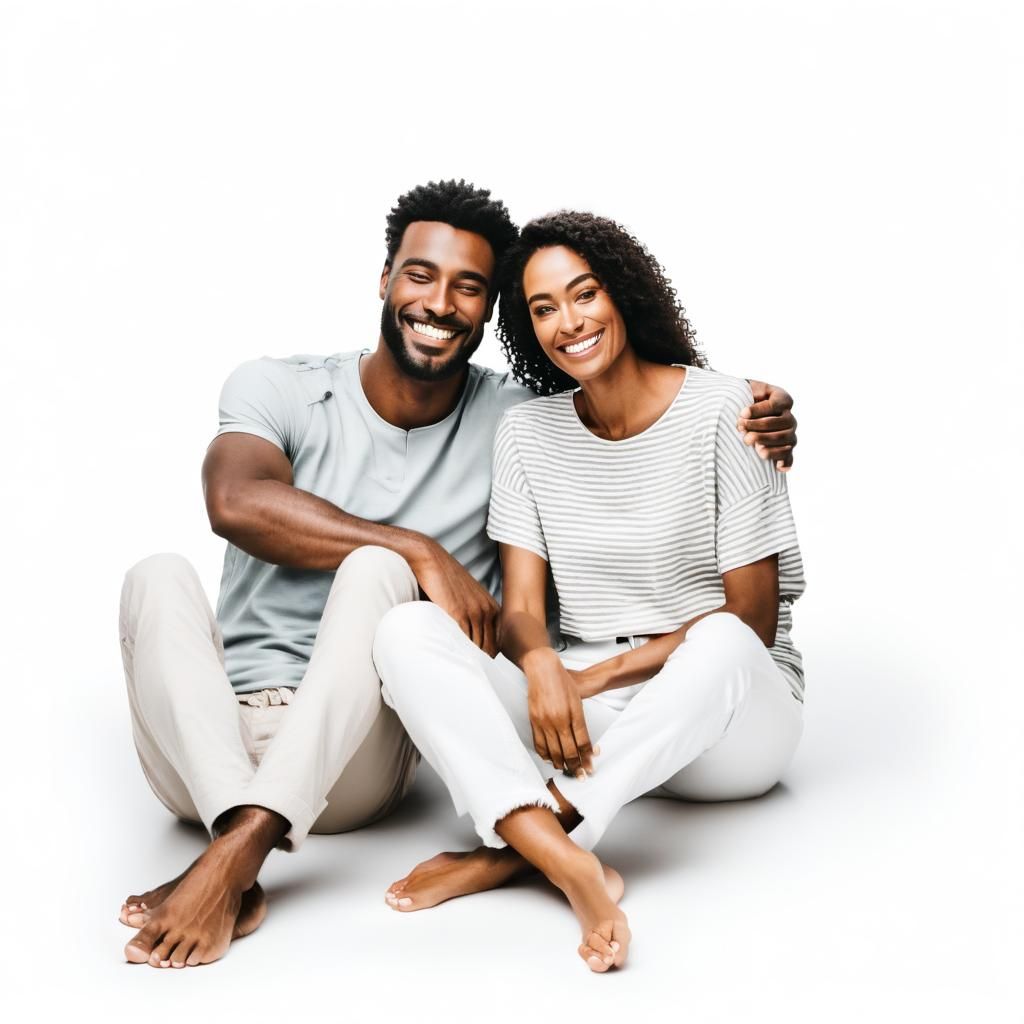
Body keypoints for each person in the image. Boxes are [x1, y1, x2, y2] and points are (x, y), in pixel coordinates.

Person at [117, 183, 799, 968]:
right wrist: (450, 575)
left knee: (390, 586)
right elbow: (233, 499)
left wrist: (765, 406)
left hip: (380, 751)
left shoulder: (549, 415)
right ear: (385, 279)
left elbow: (742, 612)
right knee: (165, 574)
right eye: (419, 276)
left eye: (469, 287)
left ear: (487, 314)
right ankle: (240, 837)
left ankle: (527, 843)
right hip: (217, 748)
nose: (439, 302)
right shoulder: (302, 390)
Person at [373, 211, 805, 974]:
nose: (568, 323)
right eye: (542, 308)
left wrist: (593, 675)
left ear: (623, 296)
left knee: (725, 640)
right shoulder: (528, 434)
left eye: (584, 294)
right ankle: (565, 854)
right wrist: (542, 667)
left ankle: (527, 844)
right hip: (589, 720)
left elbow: (753, 619)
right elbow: (522, 612)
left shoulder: (728, 410)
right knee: (405, 630)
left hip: (730, 719)